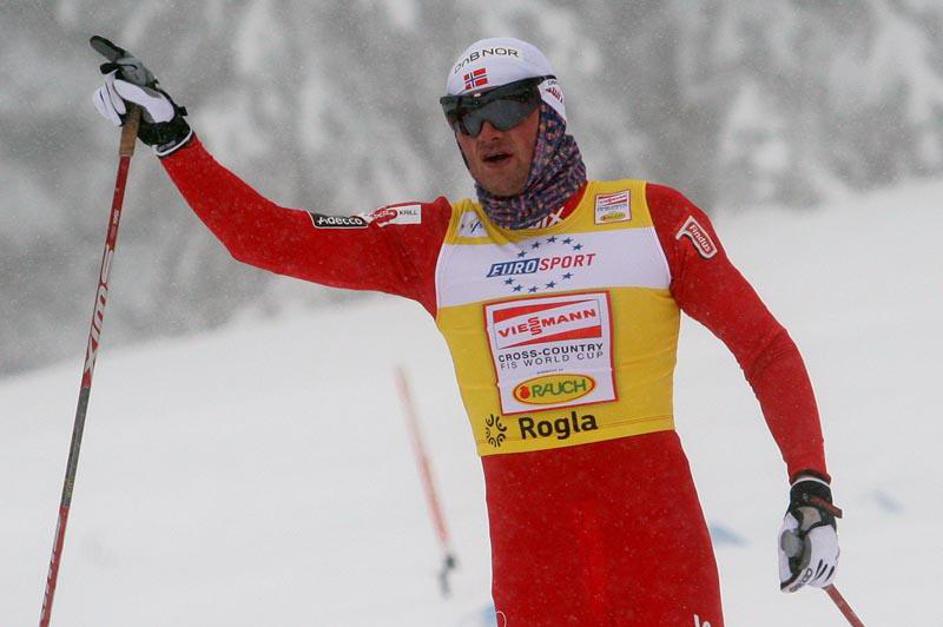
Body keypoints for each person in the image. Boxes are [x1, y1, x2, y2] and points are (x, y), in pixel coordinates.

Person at [93, 36, 842, 626]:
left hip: (658, 567)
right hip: (536, 579)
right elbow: (267, 238)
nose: (484, 131)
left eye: (505, 109)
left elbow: (765, 348)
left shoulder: (650, 217)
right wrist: (174, 139)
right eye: (464, 116)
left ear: (549, 110)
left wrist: (810, 487)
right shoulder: (436, 243)